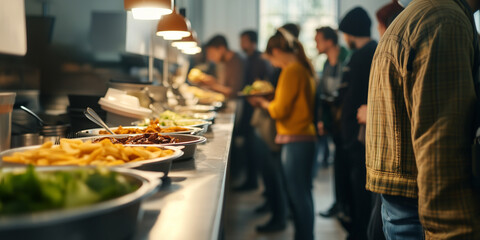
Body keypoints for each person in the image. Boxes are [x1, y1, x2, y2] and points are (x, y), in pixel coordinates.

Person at [366, 0, 480, 238]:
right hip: (422, 212)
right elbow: (441, 151)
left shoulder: (429, 14)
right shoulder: (444, 20)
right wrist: (453, 232)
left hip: (407, 201)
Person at [248, 27, 316, 240]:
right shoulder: (302, 68)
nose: (272, 63)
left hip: (296, 138)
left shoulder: (291, 70)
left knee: (298, 195)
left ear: (277, 52)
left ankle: (304, 236)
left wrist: (263, 102)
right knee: (302, 193)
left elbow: (280, 110)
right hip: (303, 138)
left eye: (271, 58)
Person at [337, 7, 377, 240]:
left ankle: (360, 234)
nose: (344, 39)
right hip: (354, 136)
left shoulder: (368, 54)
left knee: (361, 194)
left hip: (360, 139)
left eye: (345, 34)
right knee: (354, 191)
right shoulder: (362, 54)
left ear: (351, 33)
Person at [314, 27, 351, 221]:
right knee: (338, 166)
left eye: (318, 40)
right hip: (334, 124)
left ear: (329, 41)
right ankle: (339, 204)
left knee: (348, 168)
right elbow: (323, 96)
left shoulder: (348, 59)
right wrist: (322, 120)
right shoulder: (327, 63)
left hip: (348, 124)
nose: (315, 44)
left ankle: (348, 208)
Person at [234, 30, 273, 192]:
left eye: (244, 41)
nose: (241, 44)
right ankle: (251, 180)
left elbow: (261, 85)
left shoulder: (259, 60)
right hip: (251, 107)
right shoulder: (248, 59)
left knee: (254, 147)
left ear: (252, 42)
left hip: (258, 109)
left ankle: (253, 182)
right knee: (250, 147)